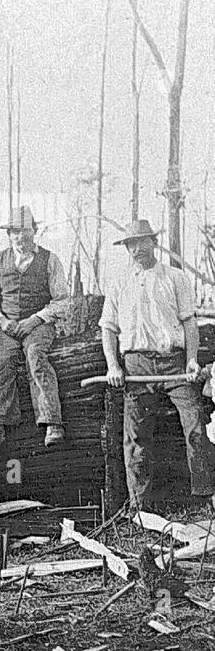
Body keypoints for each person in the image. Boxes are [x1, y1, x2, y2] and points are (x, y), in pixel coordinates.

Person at [100, 219, 215, 511]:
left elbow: (190, 323)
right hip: (136, 367)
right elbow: (108, 329)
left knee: (196, 427)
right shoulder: (119, 282)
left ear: (154, 242)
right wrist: (114, 366)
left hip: (174, 364)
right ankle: (140, 509)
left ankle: (205, 499)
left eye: (142, 241)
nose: (137, 248)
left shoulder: (175, 278)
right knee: (136, 438)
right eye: (131, 244)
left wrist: (190, 359)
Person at [0, 205, 69, 451]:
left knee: (35, 355)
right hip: (6, 325)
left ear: (35, 231)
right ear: (9, 235)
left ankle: (52, 422)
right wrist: (4, 321)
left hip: (38, 324)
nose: (21, 237)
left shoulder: (50, 259)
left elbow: (61, 300)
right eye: (15, 232)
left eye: (25, 231)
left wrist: (36, 319)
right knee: (3, 360)